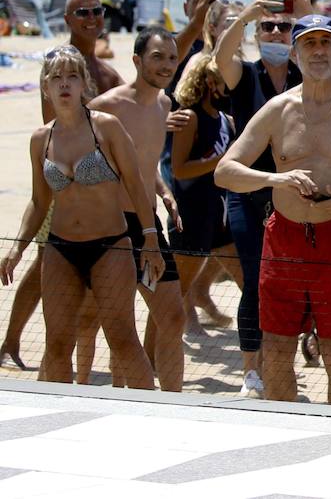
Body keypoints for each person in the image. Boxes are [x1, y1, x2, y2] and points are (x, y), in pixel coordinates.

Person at [216, 14, 331, 405]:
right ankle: (283, 436)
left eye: (325, 44)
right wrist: (275, 180)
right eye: (309, 44)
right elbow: (225, 172)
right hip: (285, 238)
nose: (318, 52)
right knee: (277, 348)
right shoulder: (278, 109)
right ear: (295, 53)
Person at [1, 46, 162, 387]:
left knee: (121, 338)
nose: (64, 84)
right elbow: (39, 201)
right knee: (57, 344)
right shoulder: (41, 140)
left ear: (83, 84)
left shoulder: (107, 128)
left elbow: (136, 185)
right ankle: (56, 415)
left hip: (111, 245)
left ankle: (152, 415)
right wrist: (17, 248)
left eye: (72, 76)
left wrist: (150, 240)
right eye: (56, 77)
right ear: (45, 86)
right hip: (61, 247)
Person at [0, 0, 126, 373]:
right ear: (68, 19)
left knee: (49, 270)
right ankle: (11, 341)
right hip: (61, 182)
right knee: (43, 266)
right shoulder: (61, 63)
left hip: (98, 187)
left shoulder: (106, 72)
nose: (91, 17)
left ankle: (14, 342)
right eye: (82, 12)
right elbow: (54, 128)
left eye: (97, 11)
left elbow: (141, 100)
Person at [215, 0, 305, 397]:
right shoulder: (246, 75)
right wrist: (245, 16)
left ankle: (280, 360)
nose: (275, 31)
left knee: (289, 281)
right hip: (247, 192)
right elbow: (219, 57)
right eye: (267, 26)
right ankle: (251, 369)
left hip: (292, 191)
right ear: (256, 33)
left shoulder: (303, 77)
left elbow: (326, 51)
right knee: (254, 279)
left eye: (283, 27)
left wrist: (304, 14)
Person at [89, 28, 187, 391]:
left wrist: (163, 192)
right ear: (136, 61)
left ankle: (173, 403)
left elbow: (142, 164)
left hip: (148, 224)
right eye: (157, 56)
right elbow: (70, 152)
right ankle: (121, 400)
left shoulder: (165, 105)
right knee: (119, 325)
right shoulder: (106, 107)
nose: (166, 65)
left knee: (173, 317)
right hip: (111, 225)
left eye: (172, 58)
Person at [169, 55, 243, 345]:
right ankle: (159, 349)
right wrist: (220, 161)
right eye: (226, 81)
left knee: (248, 283)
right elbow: (179, 169)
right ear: (211, 82)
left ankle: (258, 356)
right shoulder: (190, 117)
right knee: (178, 290)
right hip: (192, 212)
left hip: (220, 213)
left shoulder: (226, 120)